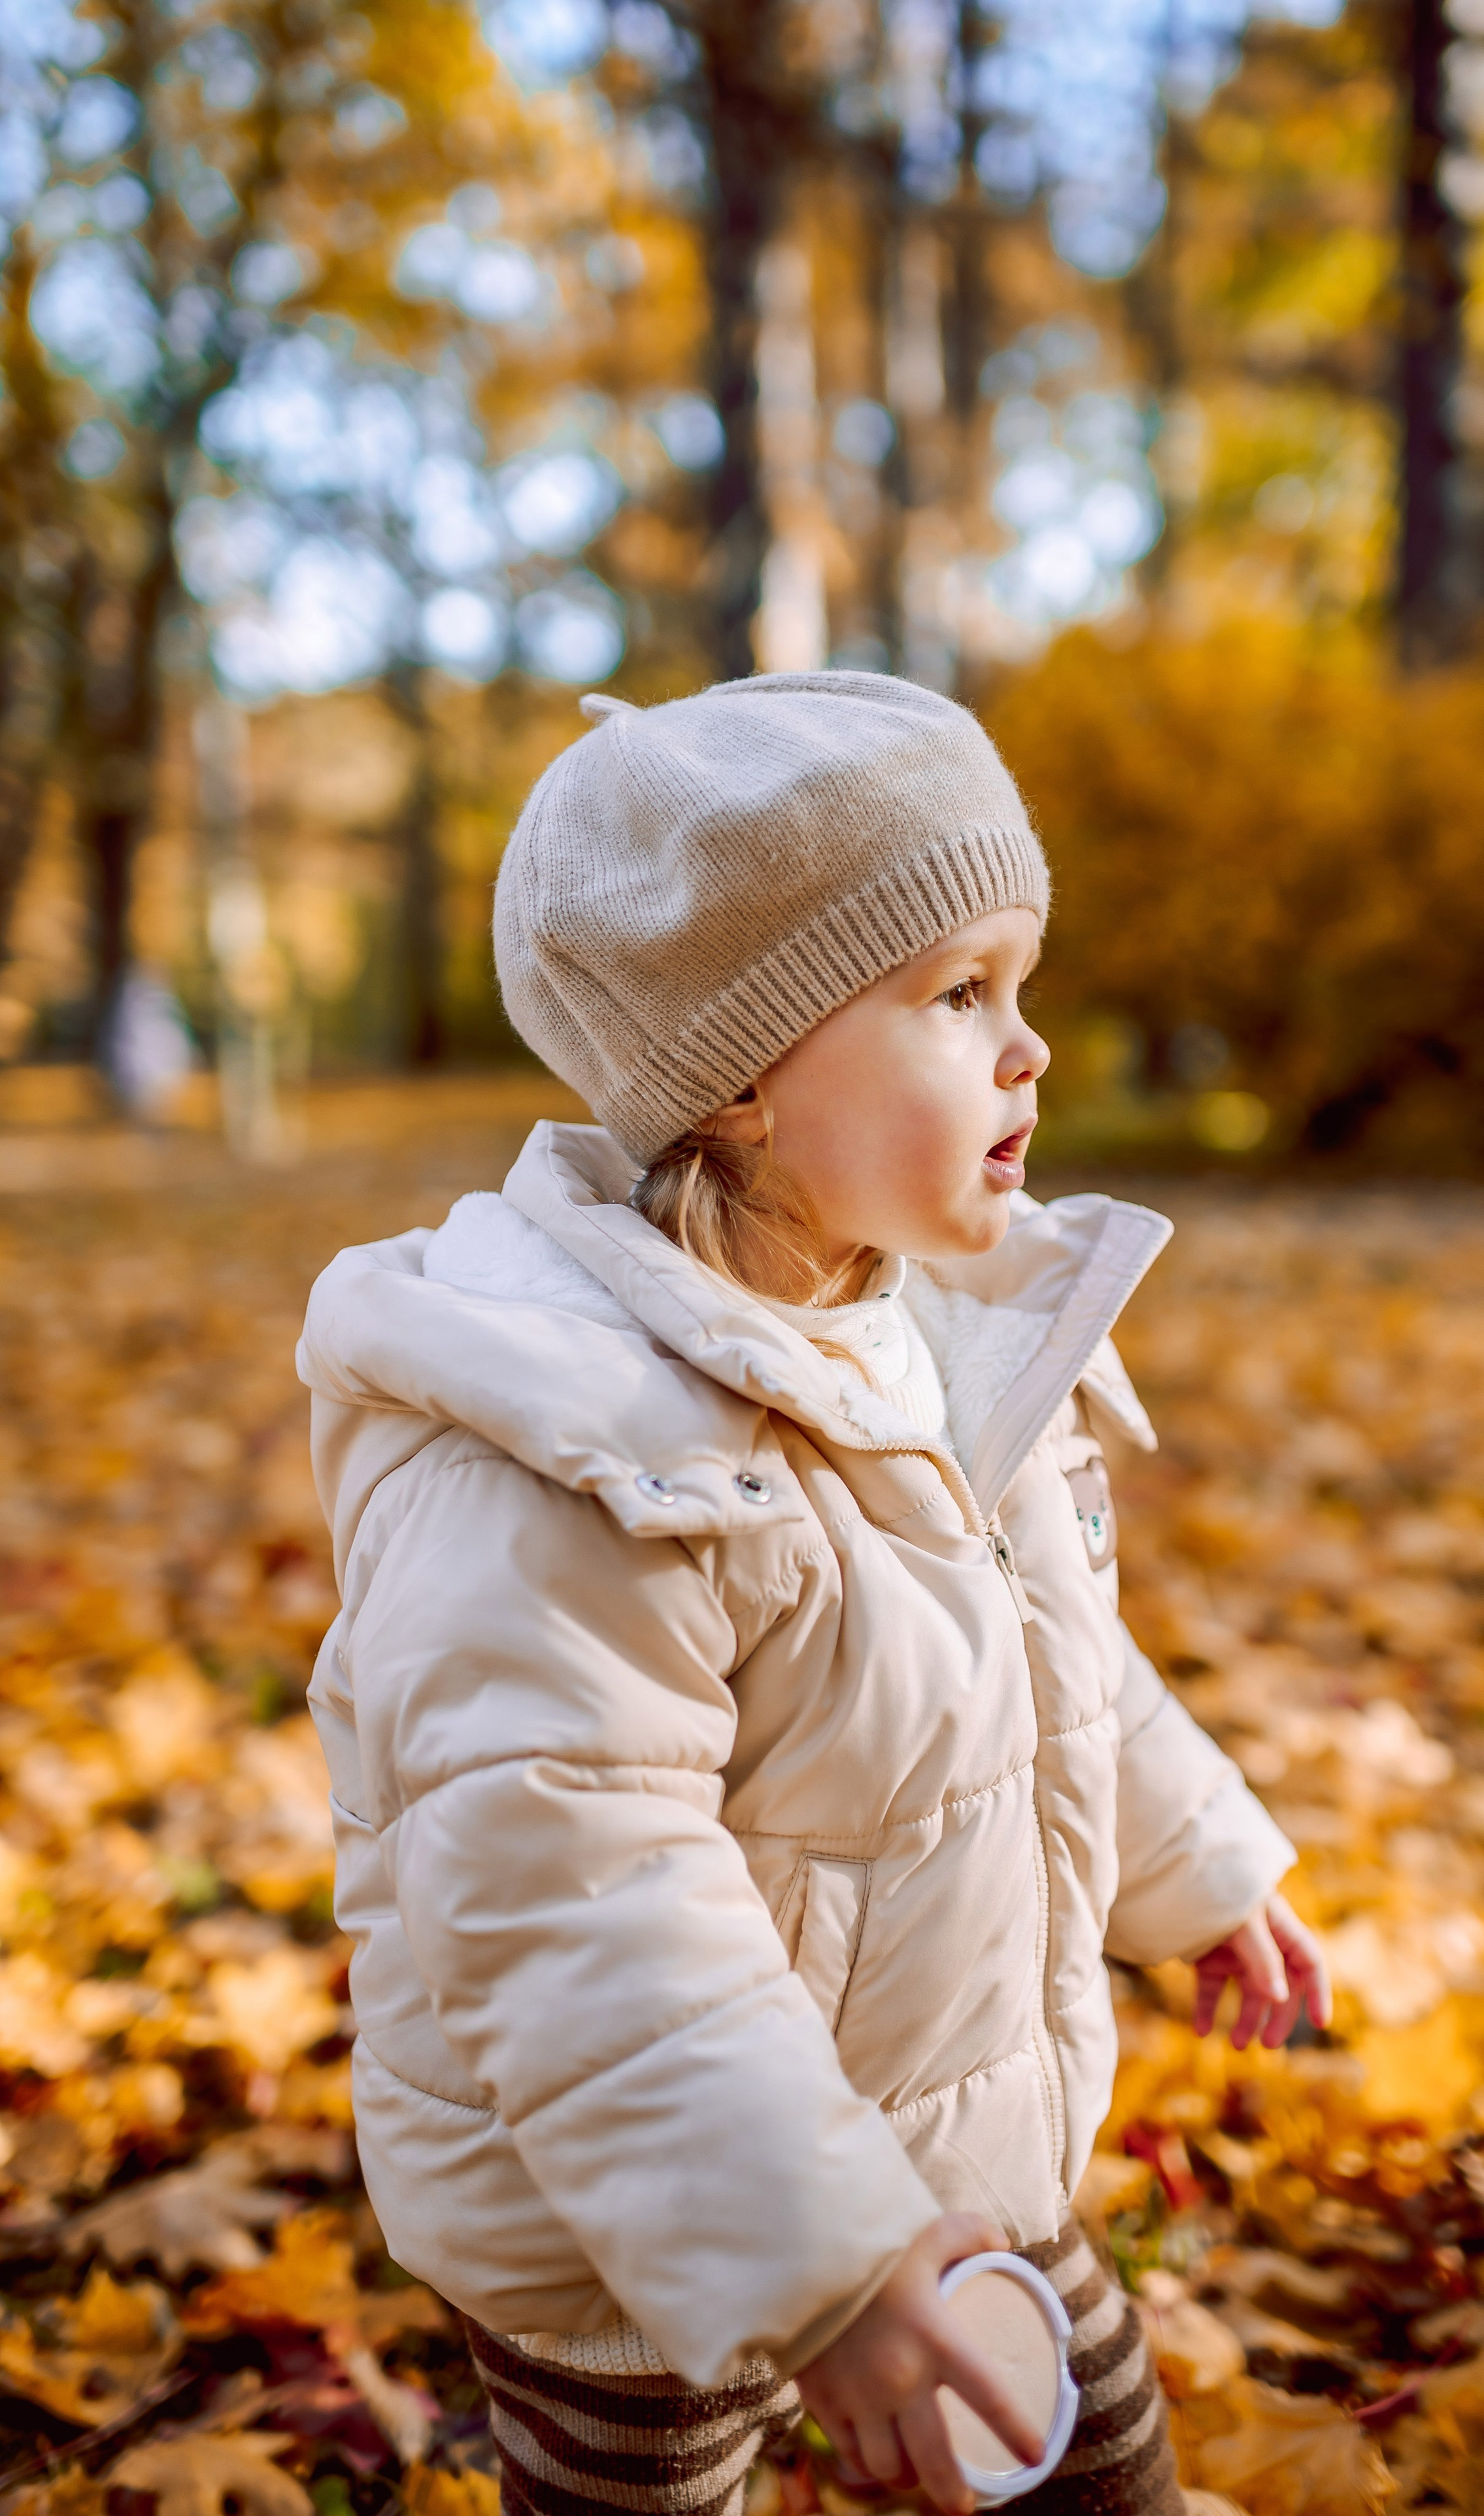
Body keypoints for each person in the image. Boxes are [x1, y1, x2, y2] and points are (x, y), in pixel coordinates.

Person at [299, 673, 1330, 2516]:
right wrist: (825, 2266)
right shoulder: (561, 1440)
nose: (1028, 1051)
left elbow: (1043, 1655)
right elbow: (577, 1902)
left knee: (1098, 2458)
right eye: (956, 997)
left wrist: (1210, 1864)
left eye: (1022, 988)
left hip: (947, 2144)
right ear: (750, 1078)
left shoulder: (925, 1329)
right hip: (638, 2233)